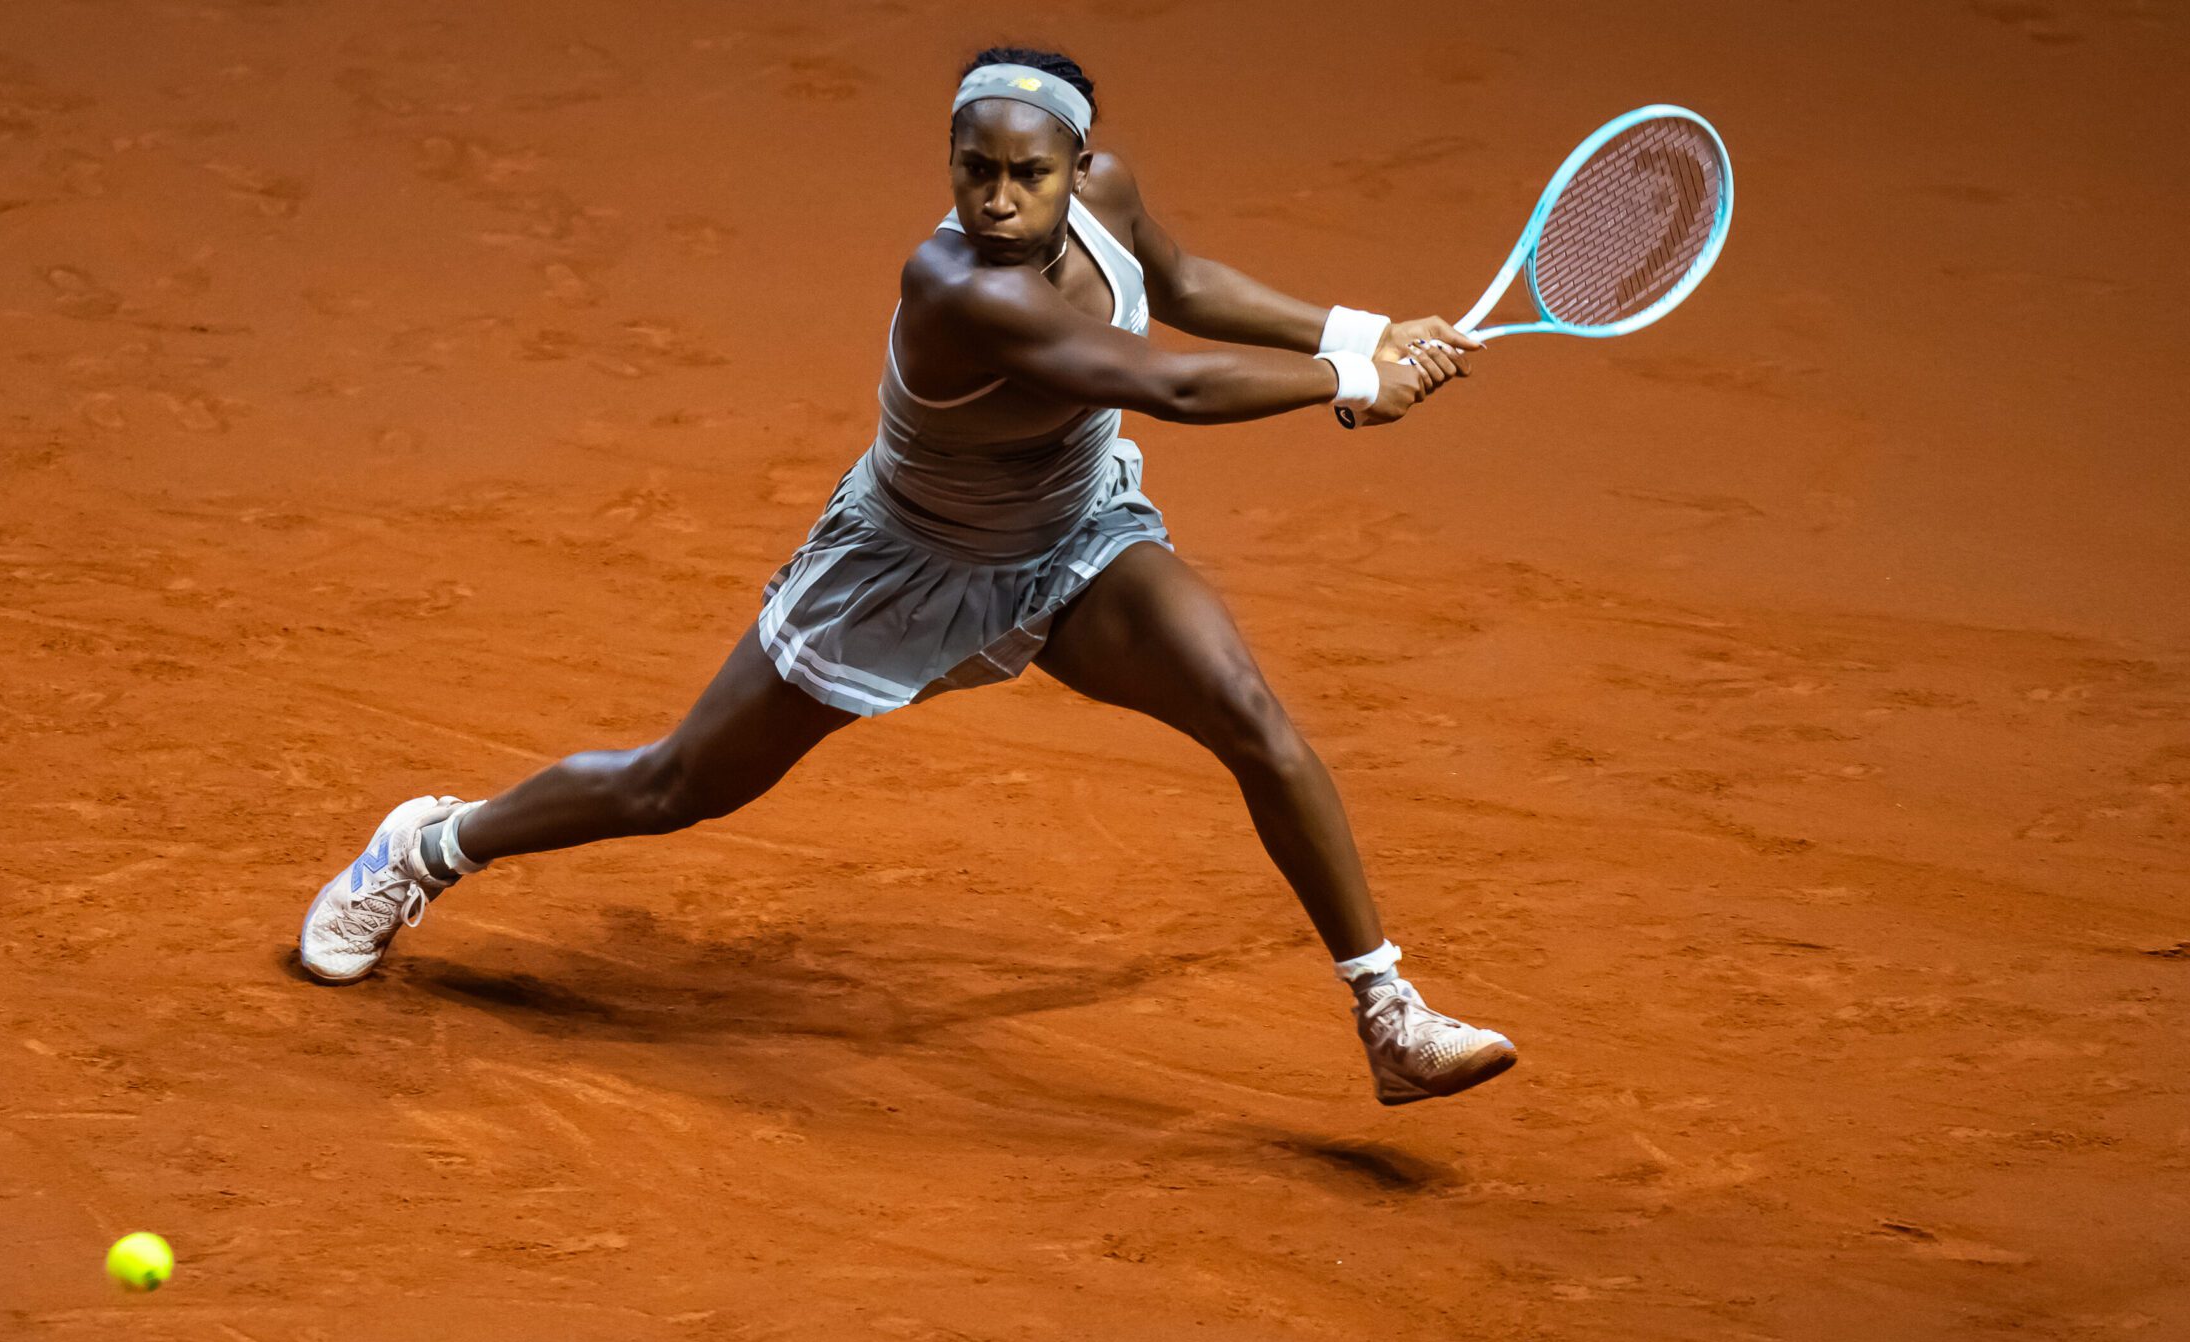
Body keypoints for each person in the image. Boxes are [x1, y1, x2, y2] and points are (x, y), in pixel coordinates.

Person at [299, 47, 1516, 1106]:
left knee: (1249, 715)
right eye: (972, 171)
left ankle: (1387, 1015)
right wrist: (1355, 386)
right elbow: (1167, 382)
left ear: (1077, 163)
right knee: (679, 784)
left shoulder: (1109, 194)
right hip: (907, 567)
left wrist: (1355, 333)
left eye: (1026, 174)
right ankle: (426, 849)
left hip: (1078, 536)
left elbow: (1184, 285)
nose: (996, 199)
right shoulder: (956, 289)